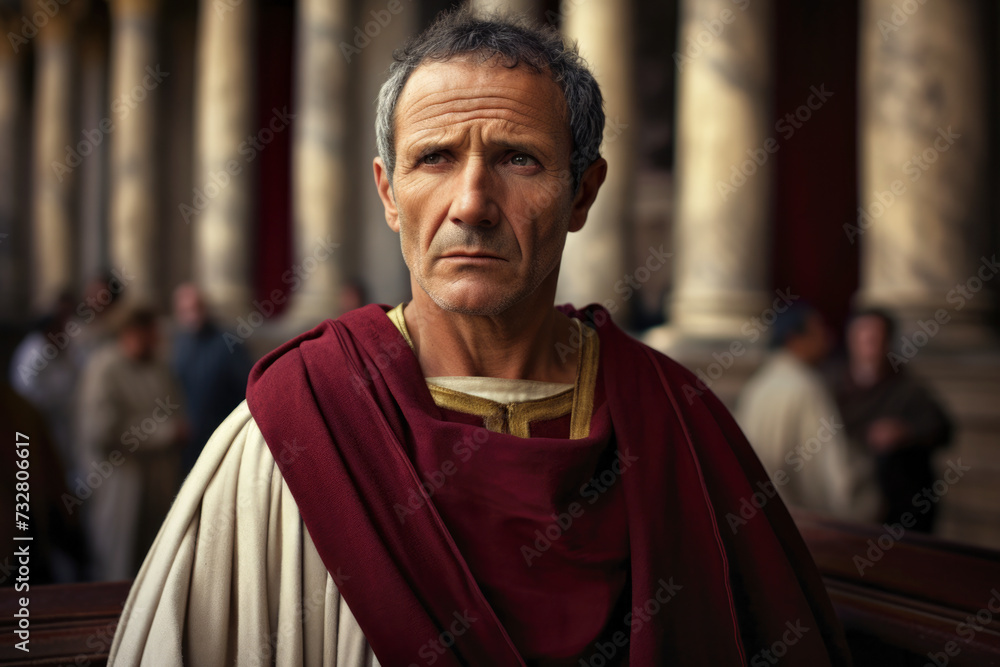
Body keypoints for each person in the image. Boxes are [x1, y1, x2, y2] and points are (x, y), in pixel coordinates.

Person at [110, 10, 850, 665]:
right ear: (389, 192)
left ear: (582, 193)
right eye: (434, 158)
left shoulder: (681, 423)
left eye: (517, 158)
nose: (472, 204)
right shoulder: (288, 433)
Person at [736, 304, 881, 523]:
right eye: (819, 331)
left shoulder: (759, 383)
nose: (828, 339)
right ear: (795, 339)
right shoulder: (806, 386)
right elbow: (831, 474)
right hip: (800, 525)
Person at [76, 306, 187, 581]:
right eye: (150, 334)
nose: (156, 340)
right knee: (119, 568)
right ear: (130, 333)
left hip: (158, 483)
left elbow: (175, 409)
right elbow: (102, 432)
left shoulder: (159, 366)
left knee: (156, 568)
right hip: (121, 485)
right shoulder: (105, 368)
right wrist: (164, 434)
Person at [833, 308, 953, 533]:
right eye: (863, 336)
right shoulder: (834, 384)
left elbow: (942, 428)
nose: (869, 343)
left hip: (899, 505)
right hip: (849, 494)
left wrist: (905, 432)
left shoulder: (907, 386)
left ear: (888, 341)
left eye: (876, 337)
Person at [171, 283, 253, 475]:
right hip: (187, 443)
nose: (191, 315)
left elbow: (245, 388)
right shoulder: (179, 344)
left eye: (196, 308)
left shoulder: (228, 342)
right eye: (185, 310)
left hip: (221, 435)